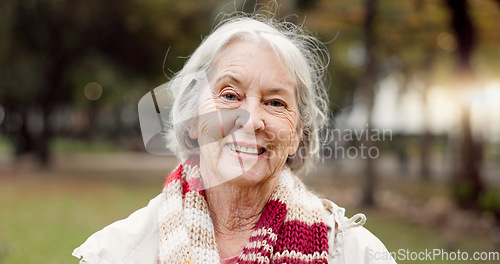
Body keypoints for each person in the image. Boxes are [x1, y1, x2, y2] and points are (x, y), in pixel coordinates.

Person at [73, 14, 397, 264]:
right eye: (229, 95)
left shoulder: (356, 253)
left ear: (297, 135)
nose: (252, 120)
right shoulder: (116, 253)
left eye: (275, 102)